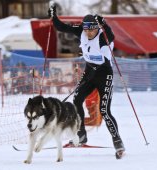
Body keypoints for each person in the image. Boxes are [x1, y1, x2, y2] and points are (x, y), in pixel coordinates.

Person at [48, 5, 125, 158]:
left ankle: (118, 142)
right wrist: (53, 16)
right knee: (76, 100)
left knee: (104, 111)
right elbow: (61, 27)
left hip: (104, 75)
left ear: (97, 28)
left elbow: (111, 36)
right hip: (89, 72)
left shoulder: (102, 37)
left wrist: (103, 23)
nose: (89, 32)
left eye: (92, 29)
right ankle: (81, 135)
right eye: (86, 29)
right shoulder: (81, 31)